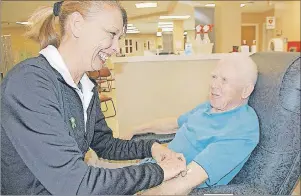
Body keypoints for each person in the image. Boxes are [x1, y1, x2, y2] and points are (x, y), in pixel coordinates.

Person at [0, 1, 186, 195]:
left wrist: (151, 148)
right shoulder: (30, 84)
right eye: (112, 34)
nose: (117, 48)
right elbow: (76, 184)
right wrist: (158, 172)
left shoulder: (85, 86)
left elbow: (106, 144)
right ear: (77, 25)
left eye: (120, 38)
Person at [136, 54, 260, 195]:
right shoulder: (208, 107)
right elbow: (175, 123)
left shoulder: (242, 128)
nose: (214, 85)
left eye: (224, 80)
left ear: (246, 90)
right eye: (214, 77)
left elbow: (186, 182)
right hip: (154, 169)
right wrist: (137, 129)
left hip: (166, 186)